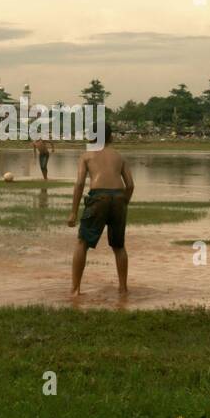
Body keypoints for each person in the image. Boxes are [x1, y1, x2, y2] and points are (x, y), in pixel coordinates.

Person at [66, 124, 133, 296]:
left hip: (98, 197)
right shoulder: (119, 157)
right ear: (111, 137)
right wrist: (124, 202)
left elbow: (80, 183)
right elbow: (130, 185)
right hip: (119, 197)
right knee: (119, 246)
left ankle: (75, 289)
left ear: (91, 137)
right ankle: (123, 288)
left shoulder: (87, 156)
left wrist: (73, 211)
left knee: (82, 243)